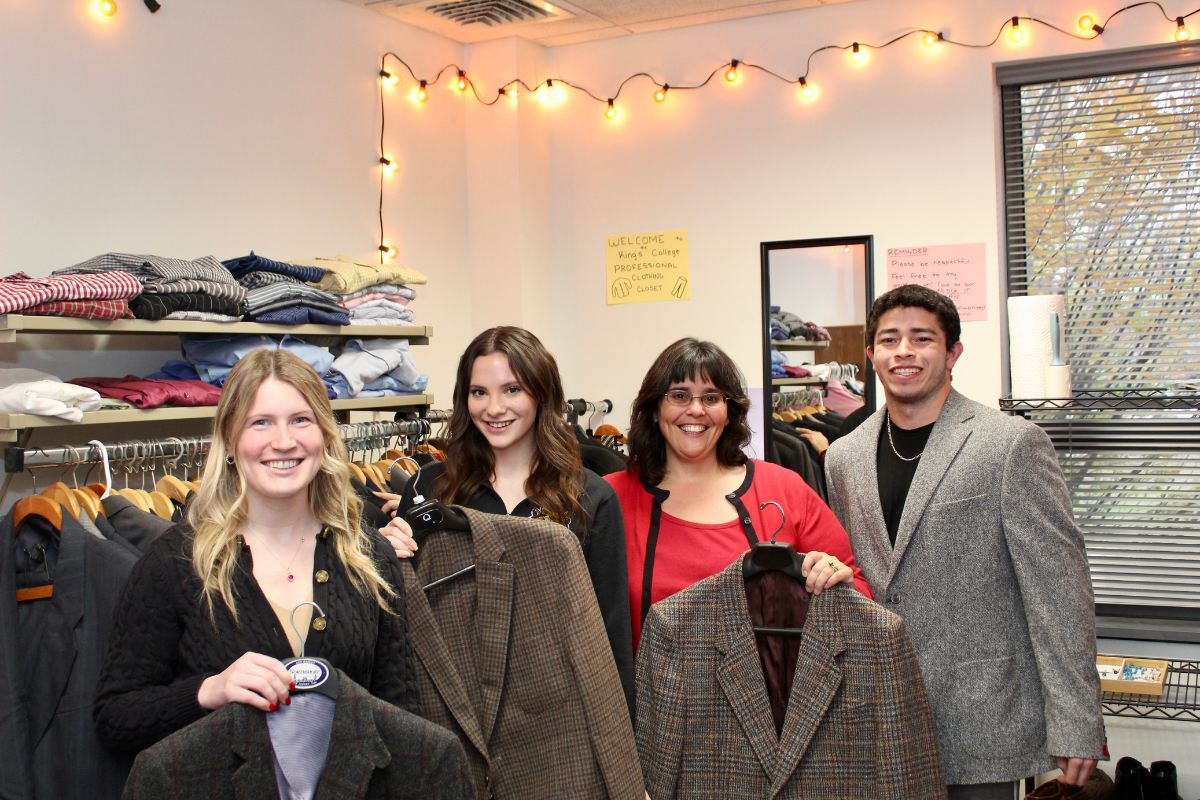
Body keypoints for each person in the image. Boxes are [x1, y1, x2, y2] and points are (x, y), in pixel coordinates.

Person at [823, 285, 1104, 799]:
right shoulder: (842, 457)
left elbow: (1058, 590)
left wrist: (1076, 718)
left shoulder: (1010, 443)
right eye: (889, 340)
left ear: (952, 352)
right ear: (871, 355)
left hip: (980, 715)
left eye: (921, 338)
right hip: (873, 715)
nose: (904, 351)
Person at [93, 349, 421, 754]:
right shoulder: (177, 564)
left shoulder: (369, 558)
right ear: (230, 441)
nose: (283, 442)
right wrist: (209, 691)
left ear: (324, 435)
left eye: (301, 420)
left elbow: (403, 718)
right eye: (260, 423)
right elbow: (115, 717)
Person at [383, 326, 635, 715]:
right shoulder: (429, 487)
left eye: (512, 389)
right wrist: (384, 557)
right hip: (452, 710)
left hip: (555, 721)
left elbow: (609, 631)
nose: (494, 408)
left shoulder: (589, 497)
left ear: (542, 394)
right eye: (479, 392)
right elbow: (399, 619)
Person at [607, 337, 871, 652]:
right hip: (651, 698)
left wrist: (837, 581)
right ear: (653, 409)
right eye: (679, 395)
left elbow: (860, 596)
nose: (695, 410)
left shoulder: (785, 489)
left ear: (729, 410)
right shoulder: (610, 498)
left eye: (711, 397)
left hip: (769, 698)